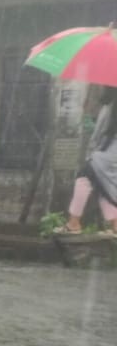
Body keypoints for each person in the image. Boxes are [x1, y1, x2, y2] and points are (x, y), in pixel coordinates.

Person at [57, 87, 117, 235]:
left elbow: (99, 133)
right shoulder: (110, 105)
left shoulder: (111, 105)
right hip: (109, 154)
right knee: (102, 184)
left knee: (84, 177)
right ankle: (115, 225)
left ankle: (74, 222)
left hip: (108, 154)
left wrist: (92, 151)